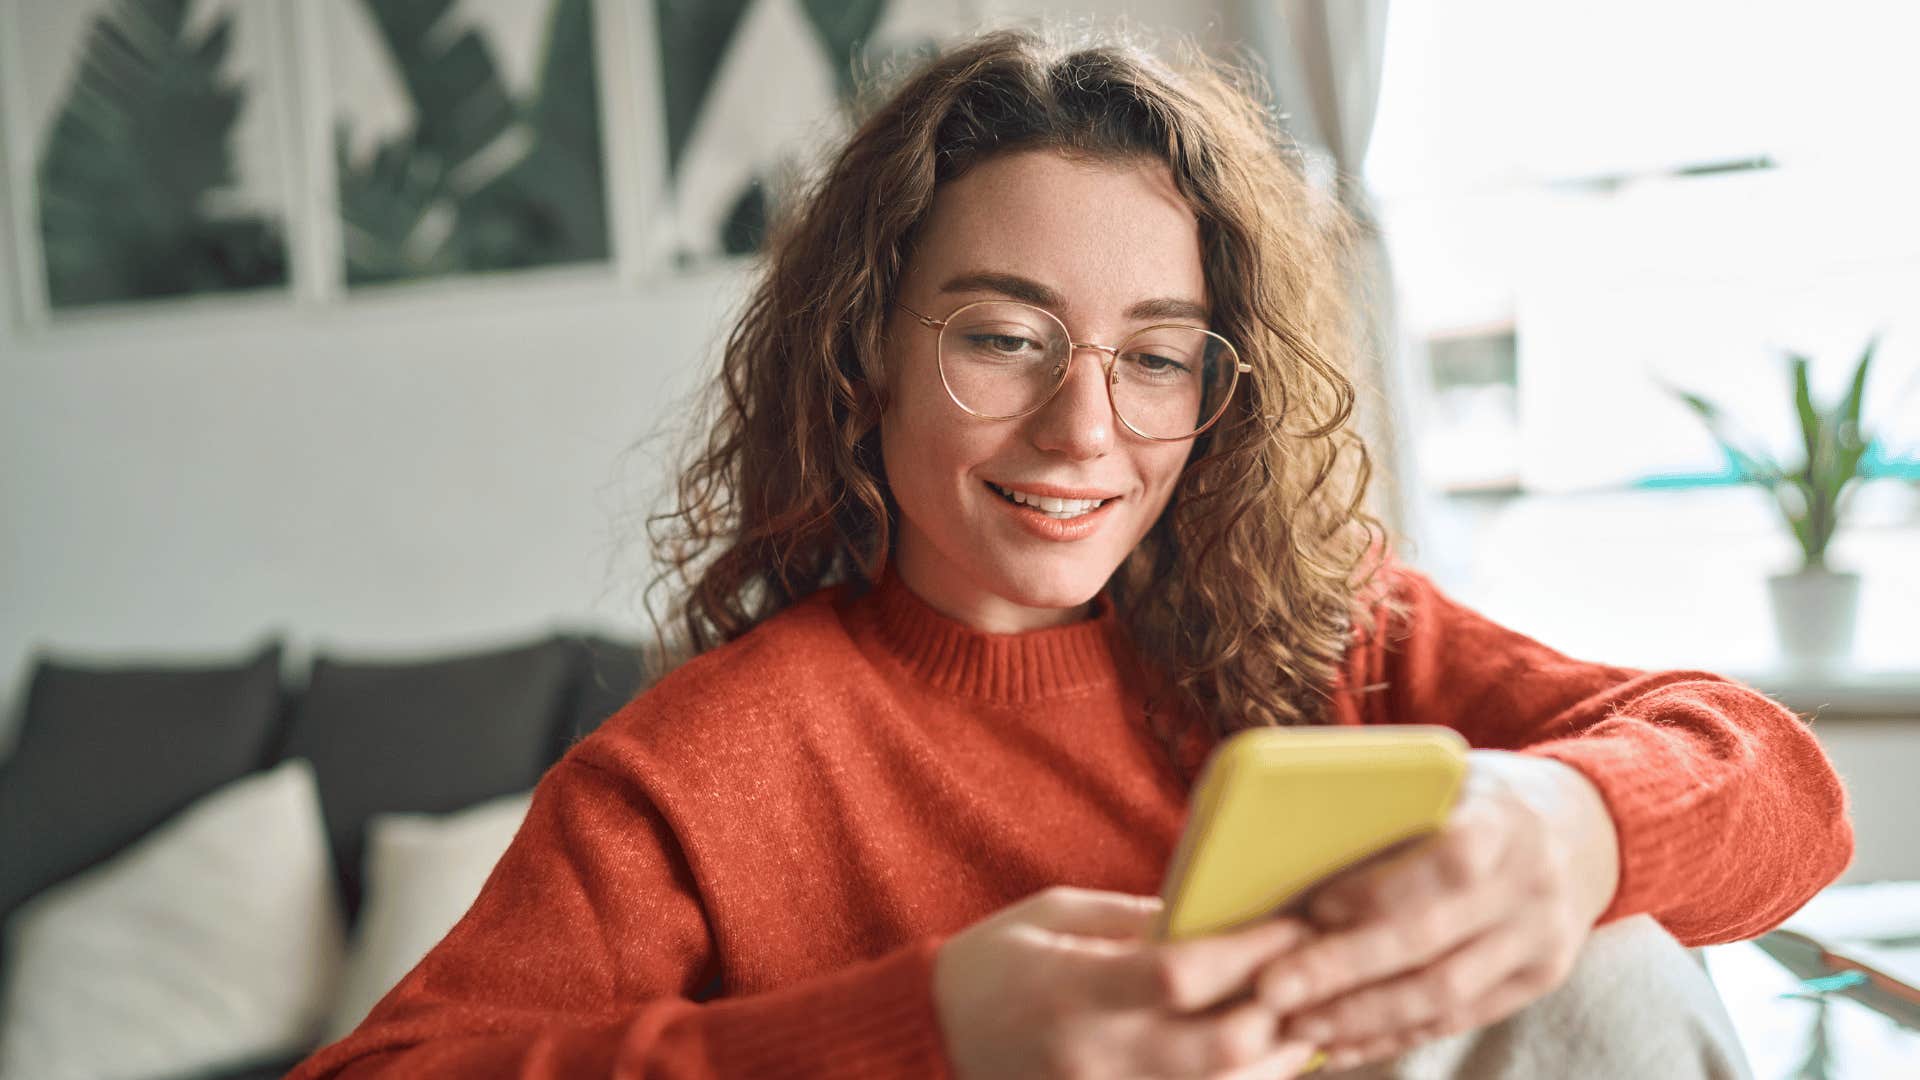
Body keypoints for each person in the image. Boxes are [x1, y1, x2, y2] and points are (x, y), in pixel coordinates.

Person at [287, 25, 1852, 1080]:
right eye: (1003, 338)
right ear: (864, 355)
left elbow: (1784, 790)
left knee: (1619, 961)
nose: (1082, 432)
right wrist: (935, 1027)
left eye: (1157, 357)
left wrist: (1574, 826)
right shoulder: (694, 777)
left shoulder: (1333, 631)